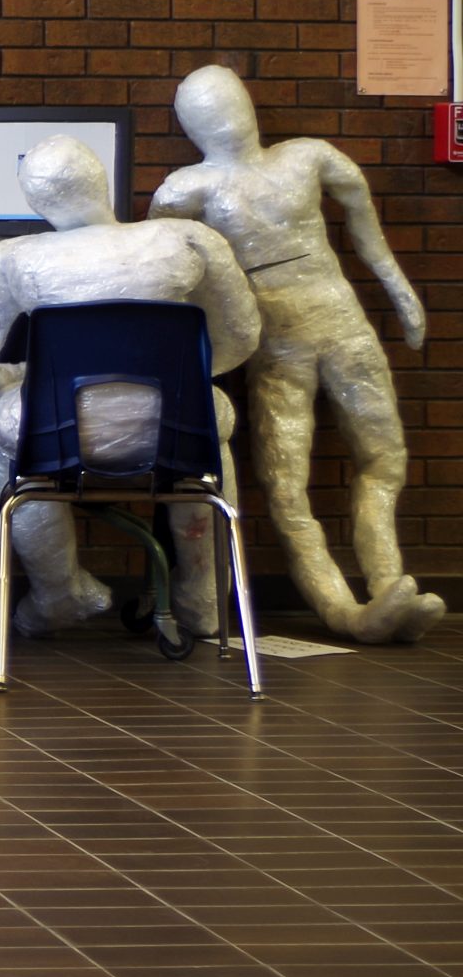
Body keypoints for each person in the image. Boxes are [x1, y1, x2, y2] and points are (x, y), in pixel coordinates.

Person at [152, 66, 440, 642]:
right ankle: (341, 607)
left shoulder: (306, 156)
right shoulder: (189, 188)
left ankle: (388, 584)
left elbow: (362, 218)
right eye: (209, 111)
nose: (227, 119)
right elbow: (166, 267)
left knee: (385, 456)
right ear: (192, 127)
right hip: (272, 339)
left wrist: (400, 289)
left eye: (231, 103)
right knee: (287, 483)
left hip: (340, 316)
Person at [0, 135, 261, 637]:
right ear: (103, 182)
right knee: (210, 416)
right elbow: (243, 331)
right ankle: (205, 601)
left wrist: (12, 379)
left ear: (35, 203)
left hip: (58, 434)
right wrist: (194, 374)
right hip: (175, 428)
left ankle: (59, 590)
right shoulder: (189, 238)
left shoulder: (14, 257)